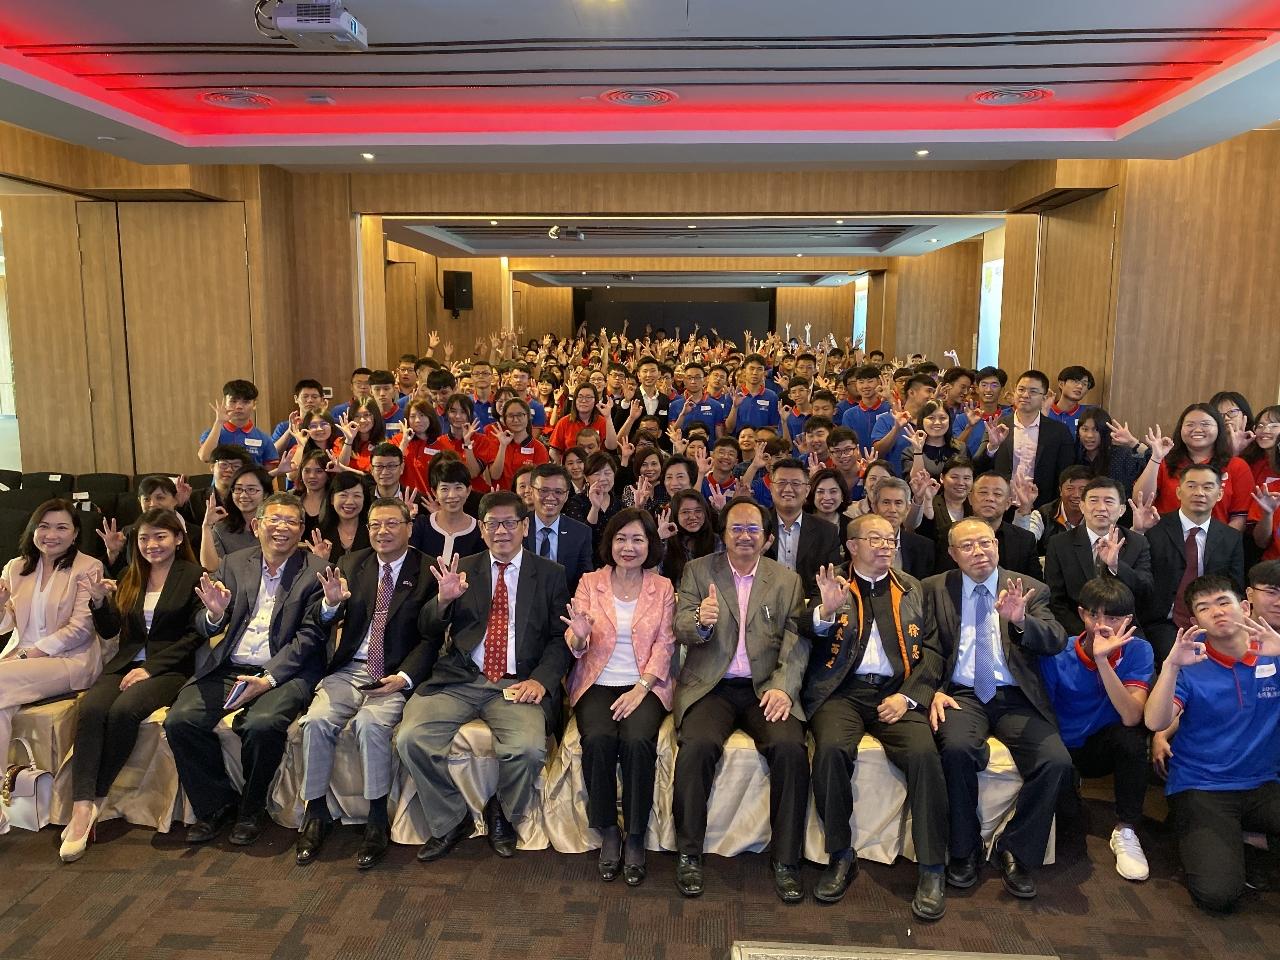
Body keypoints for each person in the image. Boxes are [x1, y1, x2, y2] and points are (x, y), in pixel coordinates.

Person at [398, 491, 571, 863]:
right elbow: (428, 629)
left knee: (526, 750)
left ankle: (502, 813)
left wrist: (542, 679)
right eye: (492, 523)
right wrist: (442, 600)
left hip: (517, 682)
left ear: (526, 527)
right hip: (461, 677)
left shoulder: (551, 575)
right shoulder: (464, 567)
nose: (501, 531)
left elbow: (561, 639)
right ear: (482, 528)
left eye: (510, 523)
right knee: (411, 738)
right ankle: (450, 820)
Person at [804, 515, 948, 919]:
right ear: (852, 546)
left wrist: (908, 697)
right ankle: (839, 854)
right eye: (875, 539)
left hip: (895, 694)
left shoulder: (911, 587)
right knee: (831, 750)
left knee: (924, 756)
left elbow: (933, 652)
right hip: (841, 693)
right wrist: (825, 614)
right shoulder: (831, 583)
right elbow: (804, 630)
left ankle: (933, 866)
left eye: (891, 538)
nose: (886, 545)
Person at [163, 492, 327, 846]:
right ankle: (217, 805)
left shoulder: (316, 572)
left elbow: (310, 638)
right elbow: (203, 625)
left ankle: (251, 810)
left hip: (284, 672)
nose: (281, 528)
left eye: (291, 522)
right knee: (180, 721)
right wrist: (215, 615)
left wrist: (267, 679)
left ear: (301, 530)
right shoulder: (234, 564)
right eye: (274, 520)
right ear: (257, 525)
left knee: (262, 725)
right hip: (229, 666)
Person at [671, 497, 810, 902]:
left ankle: (786, 860)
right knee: (696, 747)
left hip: (764, 687)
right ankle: (689, 854)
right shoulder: (699, 571)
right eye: (737, 528)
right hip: (711, 685)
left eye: (753, 530)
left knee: (790, 748)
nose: (745, 536)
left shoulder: (787, 580)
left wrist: (784, 687)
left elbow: (796, 641)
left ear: (767, 539)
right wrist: (701, 621)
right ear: (724, 534)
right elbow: (680, 626)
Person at [926, 518, 1071, 900]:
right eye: (968, 546)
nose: (979, 552)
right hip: (962, 694)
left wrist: (1021, 620)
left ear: (997, 546)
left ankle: (1016, 849)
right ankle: (964, 849)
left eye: (986, 543)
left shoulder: (1028, 588)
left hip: (1016, 695)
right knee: (956, 750)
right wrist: (933, 691)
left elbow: (1056, 639)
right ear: (953, 554)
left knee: (1056, 761)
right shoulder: (934, 589)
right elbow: (923, 649)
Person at [295, 498, 438, 870]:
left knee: (370, 724)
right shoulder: (351, 563)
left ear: (409, 526)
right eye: (374, 525)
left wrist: (404, 678)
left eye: (391, 524)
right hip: (349, 670)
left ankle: (376, 818)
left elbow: (431, 637)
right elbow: (324, 618)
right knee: (315, 721)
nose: (382, 532)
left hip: (392, 673)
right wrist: (329, 606)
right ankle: (315, 811)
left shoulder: (427, 570)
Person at [63, 509, 204, 862]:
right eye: (144, 538)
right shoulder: (131, 573)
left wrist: (152, 668)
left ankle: (95, 796)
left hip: (169, 668)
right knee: (92, 709)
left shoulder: (194, 575)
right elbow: (112, 631)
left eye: (160, 536)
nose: (152, 545)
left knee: (125, 711)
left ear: (178, 538)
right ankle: (84, 806)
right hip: (126, 662)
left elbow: (195, 635)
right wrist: (98, 601)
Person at [1143, 575, 1280, 913]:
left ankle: (1244, 838)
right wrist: (1171, 667)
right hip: (1204, 786)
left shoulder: (1273, 651)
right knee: (1218, 895)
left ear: (1244, 607)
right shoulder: (1191, 663)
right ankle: (1220, 836)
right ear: (1195, 621)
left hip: (1265, 784)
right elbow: (1155, 722)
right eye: (1204, 608)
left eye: (1224, 602)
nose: (1217, 612)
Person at [562, 509, 675, 886]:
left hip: (645, 684)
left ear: (650, 546)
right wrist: (578, 635)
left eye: (638, 540)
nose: (629, 547)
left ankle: (638, 834)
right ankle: (609, 829)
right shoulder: (589, 582)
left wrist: (641, 688)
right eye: (621, 539)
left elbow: (665, 644)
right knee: (597, 738)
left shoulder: (663, 588)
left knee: (639, 740)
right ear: (610, 543)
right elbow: (577, 644)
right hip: (596, 681)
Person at [0, 500, 104, 835]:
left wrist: (30, 654)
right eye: (44, 526)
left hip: (69, 660)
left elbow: (80, 629)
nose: (51, 534)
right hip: (21, 660)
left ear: (75, 535)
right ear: (32, 530)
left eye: (61, 528)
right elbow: (5, 625)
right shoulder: (15, 567)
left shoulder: (89, 567)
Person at [1039, 577, 1153, 881]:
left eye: (1113, 617)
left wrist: (1103, 661)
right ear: (1081, 614)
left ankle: (1126, 828)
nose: (1102, 624)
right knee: (1067, 826)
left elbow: (1131, 716)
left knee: (1132, 739)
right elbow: (1044, 713)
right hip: (1061, 747)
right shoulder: (1057, 652)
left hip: (1102, 743)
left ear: (1127, 620)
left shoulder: (1139, 651)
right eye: (1094, 615)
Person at [1131, 464, 1246, 662]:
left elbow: (1235, 586)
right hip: (1162, 622)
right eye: (1192, 486)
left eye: (1208, 487)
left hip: (1212, 621)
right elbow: (1135, 575)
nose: (1199, 493)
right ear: (1178, 491)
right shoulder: (1155, 527)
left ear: (1219, 494)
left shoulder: (1230, 537)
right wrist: (1137, 532)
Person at [1044, 476, 1154, 637]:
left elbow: (1146, 591)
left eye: (1109, 502)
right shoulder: (1059, 544)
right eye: (1093, 501)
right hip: (1075, 629)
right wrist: (1088, 633)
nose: (1101, 508)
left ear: (1122, 510)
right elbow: (1056, 600)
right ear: (1082, 506)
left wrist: (1116, 566)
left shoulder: (1137, 542)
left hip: (1123, 629)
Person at [1134, 403, 1253, 530]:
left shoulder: (1237, 466)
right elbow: (1141, 501)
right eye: (1190, 424)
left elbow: (1239, 518)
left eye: (1205, 424)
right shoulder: (1165, 461)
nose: (1197, 430)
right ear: (1180, 429)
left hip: (1217, 543)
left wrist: (1218, 544)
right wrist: (1156, 458)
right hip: (1165, 538)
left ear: (1219, 428)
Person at [973, 371, 1075, 509]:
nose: (1025, 395)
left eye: (1033, 391)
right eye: (1021, 390)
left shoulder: (1059, 431)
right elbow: (979, 466)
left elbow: (1065, 474)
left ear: (1044, 398)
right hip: (1002, 505)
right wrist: (992, 447)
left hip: (1041, 507)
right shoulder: (998, 425)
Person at [937, 473, 1041, 578]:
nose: (990, 498)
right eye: (983, 492)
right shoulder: (949, 535)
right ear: (970, 498)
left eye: (997, 494)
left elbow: (1036, 587)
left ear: (1008, 503)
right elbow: (943, 581)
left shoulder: (1025, 539)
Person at [766, 458, 842, 598]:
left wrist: (810, 613)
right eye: (781, 482)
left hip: (808, 607)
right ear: (771, 488)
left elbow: (829, 580)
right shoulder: (758, 526)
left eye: (795, 483)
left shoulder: (827, 532)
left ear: (807, 490)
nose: (788, 489)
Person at [524, 464, 594, 594]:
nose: (550, 497)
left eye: (558, 492)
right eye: (543, 491)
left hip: (564, 606)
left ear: (567, 495)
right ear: (531, 492)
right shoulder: (517, 528)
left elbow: (584, 580)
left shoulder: (580, 533)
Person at [410, 458, 484, 564]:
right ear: (434, 493)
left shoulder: (479, 530)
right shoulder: (422, 524)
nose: (452, 495)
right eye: (444, 489)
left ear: (468, 491)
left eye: (458, 488)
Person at [199, 465, 270, 572]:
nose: (243, 495)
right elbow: (212, 567)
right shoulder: (221, 529)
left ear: (265, 494)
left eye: (251, 489)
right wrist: (206, 526)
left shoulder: (274, 526)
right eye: (238, 489)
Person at [197, 378, 279, 469]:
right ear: (225, 402)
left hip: (251, 483)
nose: (239, 406)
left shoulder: (264, 438)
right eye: (233, 401)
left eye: (246, 402)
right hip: (222, 483)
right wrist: (219, 422)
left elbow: (268, 475)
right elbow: (205, 457)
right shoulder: (213, 433)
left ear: (254, 404)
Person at [475, 397, 551, 493]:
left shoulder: (538, 448)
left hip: (528, 499)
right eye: (511, 416)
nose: (515, 420)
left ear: (528, 417)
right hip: (502, 498)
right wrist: (503, 446)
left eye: (520, 415)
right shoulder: (497, 443)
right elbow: (495, 475)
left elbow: (541, 481)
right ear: (505, 419)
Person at [1075, 407, 1150, 499]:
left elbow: (1149, 458)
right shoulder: (1076, 457)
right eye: (1085, 429)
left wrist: (1133, 442)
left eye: (1096, 430)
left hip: (1121, 511)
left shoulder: (1123, 454)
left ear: (1105, 432)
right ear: (1078, 432)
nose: (1089, 435)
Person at [868, 477, 935, 579]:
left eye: (898, 503)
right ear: (874, 506)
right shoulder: (861, 543)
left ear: (908, 508)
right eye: (886, 502)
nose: (892, 509)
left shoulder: (923, 547)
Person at [870, 375, 937, 476]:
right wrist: (897, 428)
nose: (932, 396)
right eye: (929, 391)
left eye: (933, 392)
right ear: (911, 392)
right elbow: (877, 453)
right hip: (893, 483)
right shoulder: (886, 419)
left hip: (925, 485)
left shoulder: (932, 422)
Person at [312, 472, 371, 565]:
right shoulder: (319, 534)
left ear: (364, 500)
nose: (350, 502)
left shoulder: (374, 530)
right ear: (332, 499)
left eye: (357, 496)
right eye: (343, 495)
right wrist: (320, 561)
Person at [271, 378, 327, 459]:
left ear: (322, 400)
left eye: (314, 397)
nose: (310, 400)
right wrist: (289, 432)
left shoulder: (329, 425)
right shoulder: (283, 427)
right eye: (305, 396)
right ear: (296, 399)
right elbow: (272, 455)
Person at [334, 398, 386, 473]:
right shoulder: (340, 442)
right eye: (356, 416)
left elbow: (376, 476)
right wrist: (349, 440)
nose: (362, 420)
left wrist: (346, 470)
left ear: (375, 416)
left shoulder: (385, 445)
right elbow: (340, 467)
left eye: (366, 415)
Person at [1045, 366, 1095, 436]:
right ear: (1061, 384)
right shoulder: (1045, 411)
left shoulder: (1090, 413)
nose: (1080, 386)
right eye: (1075, 381)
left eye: (1084, 384)